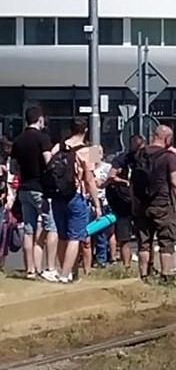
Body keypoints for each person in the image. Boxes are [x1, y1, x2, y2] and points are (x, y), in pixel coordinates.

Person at [10, 107, 59, 281]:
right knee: (51, 226)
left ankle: (30, 269)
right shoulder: (42, 139)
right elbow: (48, 162)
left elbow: (13, 167)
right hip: (40, 189)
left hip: (24, 188)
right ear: (39, 119)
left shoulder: (18, 140)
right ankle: (50, 267)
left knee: (28, 230)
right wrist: (54, 153)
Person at [50, 117, 101, 283]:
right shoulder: (91, 150)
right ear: (85, 130)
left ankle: (67, 272)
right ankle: (65, 275)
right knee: (76, 237)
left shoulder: (58, 147)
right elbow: (90, 179)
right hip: (76, 196)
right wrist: (96, 204)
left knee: (62, 235)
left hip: (57, 196)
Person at [132, 125, 176, 282]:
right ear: (167, 138)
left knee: (144, 242)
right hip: (162, 203)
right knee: (166, 240)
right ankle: (165, 276)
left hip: (141, 204)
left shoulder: (139, 154)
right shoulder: (168, 157)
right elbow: (175, 182)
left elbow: (133, 179)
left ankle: (144, 276)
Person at [104, 135, 145, 268]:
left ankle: (132, 265)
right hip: (126, 202)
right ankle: (128, 265)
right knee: (125, 237)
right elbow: (109, 176)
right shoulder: (125, 158)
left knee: (129, 237)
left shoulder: (138, 159)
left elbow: (110, 176)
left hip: (132, 201)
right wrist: (126, 182)